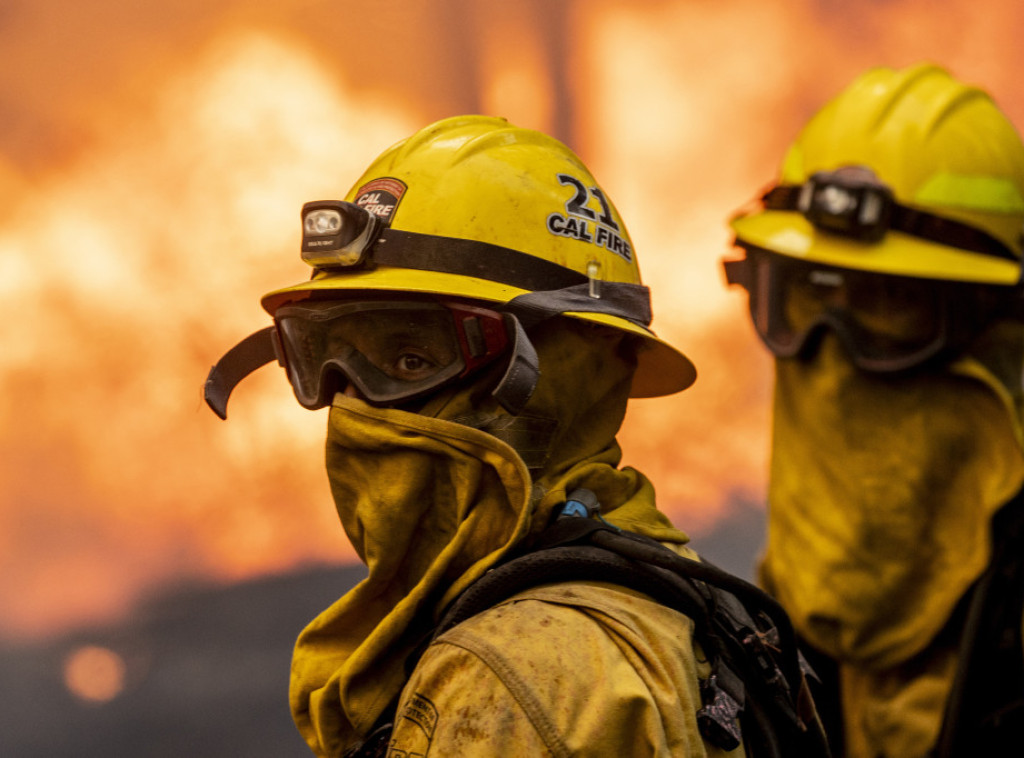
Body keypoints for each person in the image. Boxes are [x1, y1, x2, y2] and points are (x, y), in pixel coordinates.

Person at [206, 115, 826, 757]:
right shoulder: (670, 597)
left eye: (412, 361)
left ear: (561, 375)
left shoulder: (509, 680)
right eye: (327, 360)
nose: (355, 405)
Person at [724, 63, 1024, 758]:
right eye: (805, 296)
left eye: (888, 303)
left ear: (1005, 333)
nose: (835, 361)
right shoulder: (747, 636)